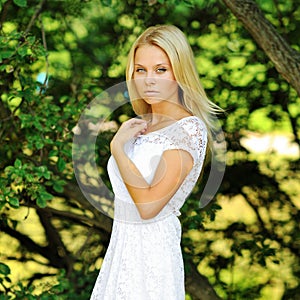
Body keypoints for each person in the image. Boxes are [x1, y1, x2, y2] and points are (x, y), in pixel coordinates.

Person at [90, 24, 221, 299]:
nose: (149, 79)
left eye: (161, 70)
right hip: (123, 249)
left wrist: (117, 148)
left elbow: (149, 208)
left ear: (179, 71)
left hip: (152, 258)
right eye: (141, 70)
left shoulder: (188, 130)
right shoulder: (143, 126)